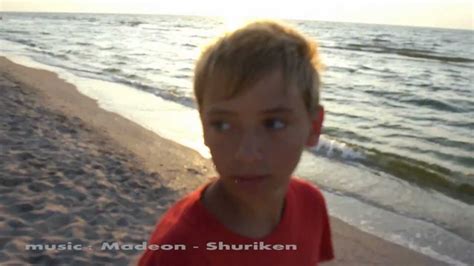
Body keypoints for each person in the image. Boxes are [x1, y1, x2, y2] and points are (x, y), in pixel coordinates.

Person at [138, 20, 333, 266]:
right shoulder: (178, 252)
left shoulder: (311, 205)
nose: (247, 153)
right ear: (203, 128)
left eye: (273, 123)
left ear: (313, 127)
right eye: (223, 125)